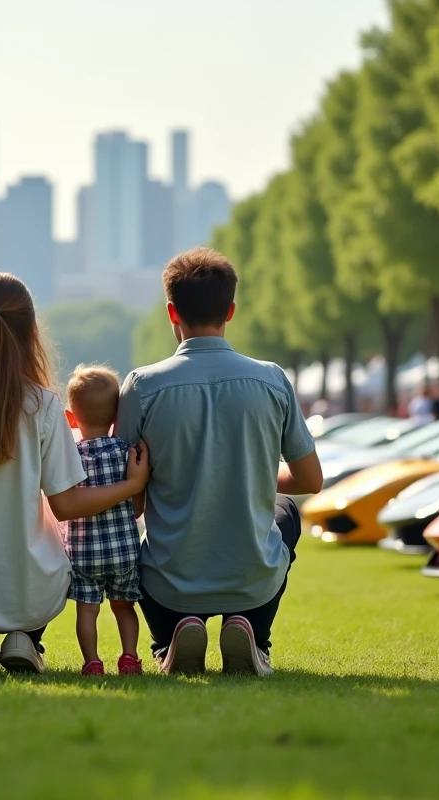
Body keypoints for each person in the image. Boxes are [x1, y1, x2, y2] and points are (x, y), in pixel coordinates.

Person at [0, 272, 149, 676]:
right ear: (32, 332)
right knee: (48, 529)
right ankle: (26, 639)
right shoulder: (46, 405)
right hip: (36, 593)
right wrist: (132, 485)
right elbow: (67, 505)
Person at [116, 247, 323, 677]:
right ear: (231, 309)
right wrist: (254, 476)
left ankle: (169, 640)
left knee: (142, 539)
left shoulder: (141, 385)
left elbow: (130, 503)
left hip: (169, 582)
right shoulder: (271, 379)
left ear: (172, 313)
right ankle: (250, 631)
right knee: (285, 511)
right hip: (251, 577)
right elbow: (311, 479)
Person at [58, 365, 146, 677]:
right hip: (123, 551)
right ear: (116, 416)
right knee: (124, 607)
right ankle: (130, 658)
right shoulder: (127, 454)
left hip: (84, 555)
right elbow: (136, 509)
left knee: (87, 610)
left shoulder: (69, 457)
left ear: (71, 418)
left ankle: (92, 662)